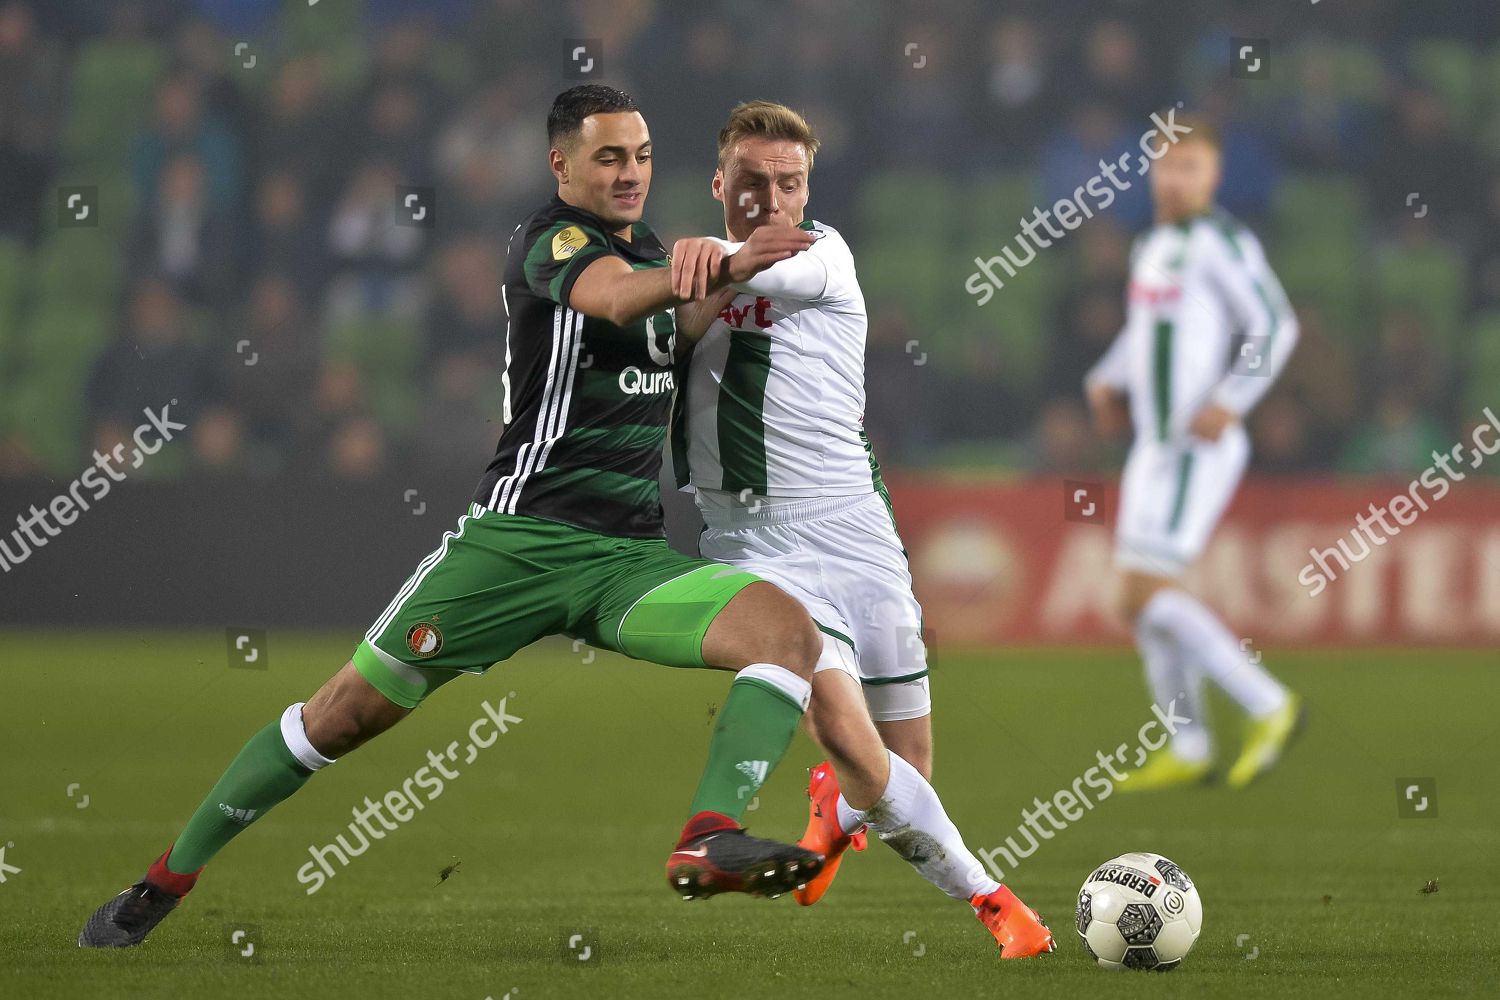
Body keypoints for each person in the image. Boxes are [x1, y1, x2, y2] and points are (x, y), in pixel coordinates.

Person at [80, 84, 831, 949]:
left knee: (785, 630)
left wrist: (738, 274)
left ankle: (709, 836)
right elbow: (621, 302)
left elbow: (676, 321)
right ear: (562, 164)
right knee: (341, 714)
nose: (631, 173)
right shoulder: (551, 243)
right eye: (610, 156)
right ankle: (162, 883)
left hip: (627, 557)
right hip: (516, 545)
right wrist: (724, 266)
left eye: (643, 155)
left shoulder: (656, 249)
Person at [671, 101, 1054, 958]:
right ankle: (994, 900)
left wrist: (708, 266)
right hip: (750, 544)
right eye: (751, 182)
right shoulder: (684, 275)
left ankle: (831, 816)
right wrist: (686, 281)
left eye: (789, 182)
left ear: (809, 189)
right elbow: (662, 333)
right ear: (718, 184)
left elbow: (772, 276)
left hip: (853, 531)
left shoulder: (824, 255)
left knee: (905, 762)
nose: (771, 199)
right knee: (852, 739)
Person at [1084, 116, 1303, 791]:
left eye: (1191, 167)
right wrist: (1106, 377)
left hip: (1196, 443)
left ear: (1214, 174)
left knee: (1145, 591)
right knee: (1134, 601)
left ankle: (1267, 703)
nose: (1175, 179)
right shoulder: (1151, 246)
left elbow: (1275, 322)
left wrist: (1234, 397)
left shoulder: (1220, 242)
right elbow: (1145, 329)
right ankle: (1189, 742)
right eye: (1166, 165)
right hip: (1156, 445)